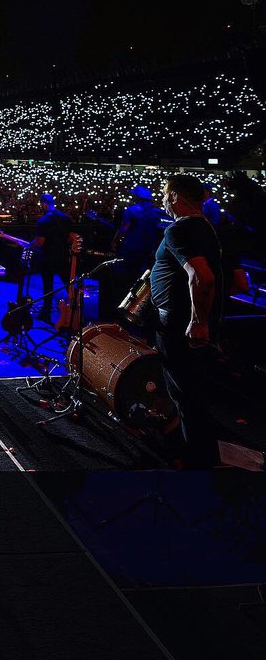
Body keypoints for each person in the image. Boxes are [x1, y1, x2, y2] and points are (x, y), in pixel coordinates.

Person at [149, 174, 225, 469]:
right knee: (192, 392)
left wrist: (198, 322)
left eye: (165, 195)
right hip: (184, 322)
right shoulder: (205, 227)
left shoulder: (179, 231)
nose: (164, 201)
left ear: (176, 197)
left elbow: (202, 276)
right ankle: (202, 455)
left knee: (185, 395)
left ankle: (199, 464)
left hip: (180, 326)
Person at [104, 184, 170, 321]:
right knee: (140, 283)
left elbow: (123, 229)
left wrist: (115, 241)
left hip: (130, 251)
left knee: (123, 282)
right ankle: (136, 310)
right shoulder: (155, 212)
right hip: (147, 252)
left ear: (137, 197)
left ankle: (121, 313)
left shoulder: (132, 211)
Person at [27, 193, 74, 322]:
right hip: (63, 256)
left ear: (43, 204)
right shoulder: (66, 218)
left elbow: (41, 241)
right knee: (68, 284)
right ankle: (75, 311)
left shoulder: (43, 220)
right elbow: (70, 239)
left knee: (48, 285)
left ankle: (46, 312)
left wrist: (29, 245)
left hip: (47, 257)